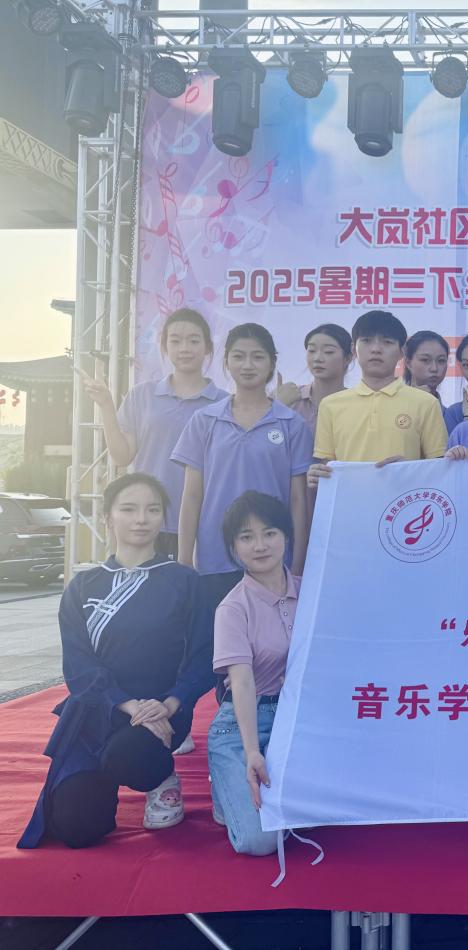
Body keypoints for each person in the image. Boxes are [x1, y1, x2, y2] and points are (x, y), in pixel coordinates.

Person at [19, 473, 214, 849]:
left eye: (152, 510)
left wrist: (172, 702)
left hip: (161, 713)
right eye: (129, 509)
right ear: (107, 516)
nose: (141, 519)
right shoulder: (82, 586)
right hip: (96, 713)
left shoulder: (184, 581)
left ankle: (161, 779)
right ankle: (100, 781)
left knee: (127, 756)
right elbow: (77, 664)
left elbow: (204, 653)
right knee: (76, 828)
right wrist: (126, 704)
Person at [172, 323, 311, 607]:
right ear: (226, 362)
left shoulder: (291, 424)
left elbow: (299, 499)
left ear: (272, 363)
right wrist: (184, 560)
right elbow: (192, 495)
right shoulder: (205, 420)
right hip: (215, 559)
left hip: (273, 558)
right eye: (238, 356)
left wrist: (297, 563)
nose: (248, 365)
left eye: (257, 357)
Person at [80, 308, 227, 559]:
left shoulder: (224, 403)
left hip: (203, 522)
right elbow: (122, 456)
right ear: (164, 347)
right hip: (148, 521)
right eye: (175, 341)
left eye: (193, 340)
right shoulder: (142, 395)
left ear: (208, 348)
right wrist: (106, 405)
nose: (184, 348)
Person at [208, 491, 301, 856]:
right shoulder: (232, 608)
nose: (260, 545)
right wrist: (251, 752)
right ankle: (227, 781)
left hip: (297, 723)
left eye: (270, 533)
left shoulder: (312, 591)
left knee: (323, 816)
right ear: (234, 548)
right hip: (244, 724)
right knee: (262, 841)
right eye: (246, 537)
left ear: (286, 536)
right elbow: (242, 682)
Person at [307, 311, 448, 489]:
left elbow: (441, 470)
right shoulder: (330, 405)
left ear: (402, 352)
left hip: (404, 503)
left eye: (387, 342)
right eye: (366, 341)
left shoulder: (426, 403)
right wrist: (317, 475)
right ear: (354, 349)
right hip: (349, 503)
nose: (376, 349)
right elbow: (327, 467)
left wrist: (409, 470)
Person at [276, 323, 354, 432]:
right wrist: (277, 407)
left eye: (328, 352)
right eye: (312, 351)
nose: (317, 358)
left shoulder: (356, 404)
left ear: (348, 358)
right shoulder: (289, 398)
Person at [403, 330, 451, 405]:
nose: (434, 368)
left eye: (441, 360)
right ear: (408, 363)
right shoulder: (390, 404)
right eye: (425, 360)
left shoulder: (451, 412)